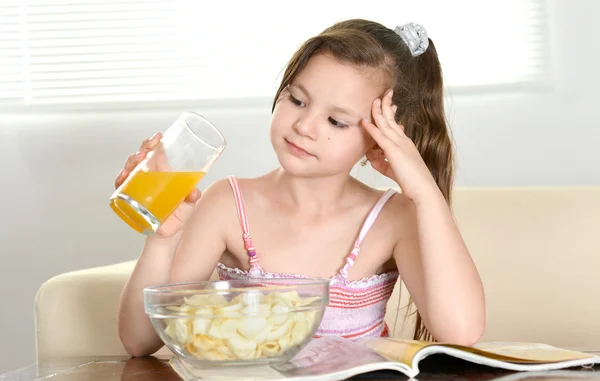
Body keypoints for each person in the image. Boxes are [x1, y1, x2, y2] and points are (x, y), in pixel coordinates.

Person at [117, 19, 486, 357]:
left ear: (379, 141)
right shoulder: (228, 204)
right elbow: (141, 340)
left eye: (336, 121)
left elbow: (461, 332)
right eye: (297, 100)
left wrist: (423, 191)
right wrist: (161, 238)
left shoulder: (393, 218)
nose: (305, 126)